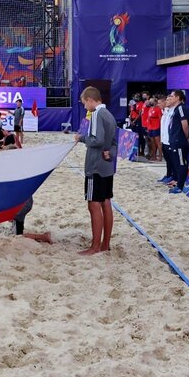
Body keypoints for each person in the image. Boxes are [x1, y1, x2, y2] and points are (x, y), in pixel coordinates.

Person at [75, 86, 116, 256]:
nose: (85, 107)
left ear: (91, 100)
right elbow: (114, 142)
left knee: (93, 205)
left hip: (95, 166)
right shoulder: (110, 115)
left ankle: (95, 246)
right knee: (106, 203)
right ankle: (105, 244)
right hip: (107, 166)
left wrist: (81, 138)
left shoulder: (97, 114)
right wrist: (111, 153)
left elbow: (96, 139)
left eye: (85, 103)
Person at [163, 90, 189, 194]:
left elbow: (185, 125)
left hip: (179, 140)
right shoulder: (176, 109)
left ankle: (180, 186)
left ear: (178, 97)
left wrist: (187, 137)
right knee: (176, 162)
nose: (170, 98)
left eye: (172, 96)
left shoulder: (181, 108)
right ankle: (177, 182)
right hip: (174, 140)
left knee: (181, 163)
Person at [142, 95, 162, 162]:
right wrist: (148, 128)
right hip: (150, 127)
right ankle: (154, 156)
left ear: (155, 102)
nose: (150, 102)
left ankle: (160, 157)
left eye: (151, 101)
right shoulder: (150, 109)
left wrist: (161, 128)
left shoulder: (158, 109)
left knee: (158, 143)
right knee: (152, 143)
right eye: (150, 101)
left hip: (156, 127)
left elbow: (160, 119)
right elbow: (148, 118)